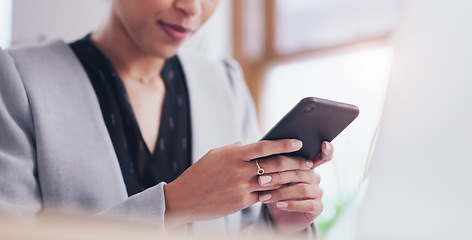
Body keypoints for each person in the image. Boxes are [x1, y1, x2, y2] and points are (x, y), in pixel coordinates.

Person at [0, 0, 333, 237]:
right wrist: (173, 204)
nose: (193, 7)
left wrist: (279, 225)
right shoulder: (19, 77)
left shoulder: (225, 82)